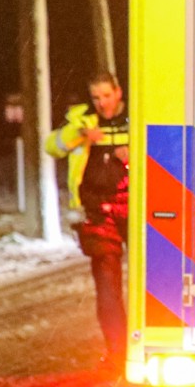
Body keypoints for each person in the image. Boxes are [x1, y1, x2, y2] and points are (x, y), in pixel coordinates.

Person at [46, 72, 130, 369]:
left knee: (153, 282)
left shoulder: (137, 117)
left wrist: (132, 155)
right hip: (97, 212)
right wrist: (81, 136)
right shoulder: (83, 121)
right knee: (107, 287)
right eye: (96, 97)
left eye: (106, 95)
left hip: (137, 209)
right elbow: (53, 146)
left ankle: (146, 345)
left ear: (118, 93)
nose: (102, 102)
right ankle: (117, 354)